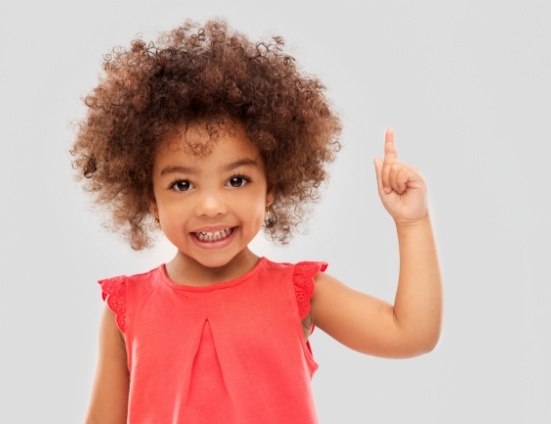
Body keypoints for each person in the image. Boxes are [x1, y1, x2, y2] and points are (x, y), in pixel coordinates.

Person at [71, 18, 442, 424]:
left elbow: (411, 333)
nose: (210, 206)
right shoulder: (128, 307)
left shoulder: (299, 293)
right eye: (182, 184)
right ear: (150, 200)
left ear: (270, 189)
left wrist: (412, 223)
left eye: (236, 180)